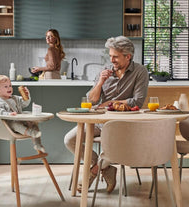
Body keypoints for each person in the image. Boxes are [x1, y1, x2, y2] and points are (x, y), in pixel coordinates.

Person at [64, 36, 149, 193]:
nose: (112, 60)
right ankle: (104, 167)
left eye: (115, 56)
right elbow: (92, 99)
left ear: (128, 56)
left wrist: (110, 104)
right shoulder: (105, 71)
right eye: (110, 56)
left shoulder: (140, 72)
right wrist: (100, 83)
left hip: (123, 124)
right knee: (70, 140)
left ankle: (94, 171)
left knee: (118, 146)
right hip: (99, 121)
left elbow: (137, 102)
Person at [0, 75, 45, 152]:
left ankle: (38, 144)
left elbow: (25, 103)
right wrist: (8, 114)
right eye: (5, 86)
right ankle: (31, 133)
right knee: (15, 124)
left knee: (33, 124)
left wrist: (26, 96)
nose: (9, 88)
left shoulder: (15, 98)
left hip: (21, 120)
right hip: (9, 124)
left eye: (10, 86)